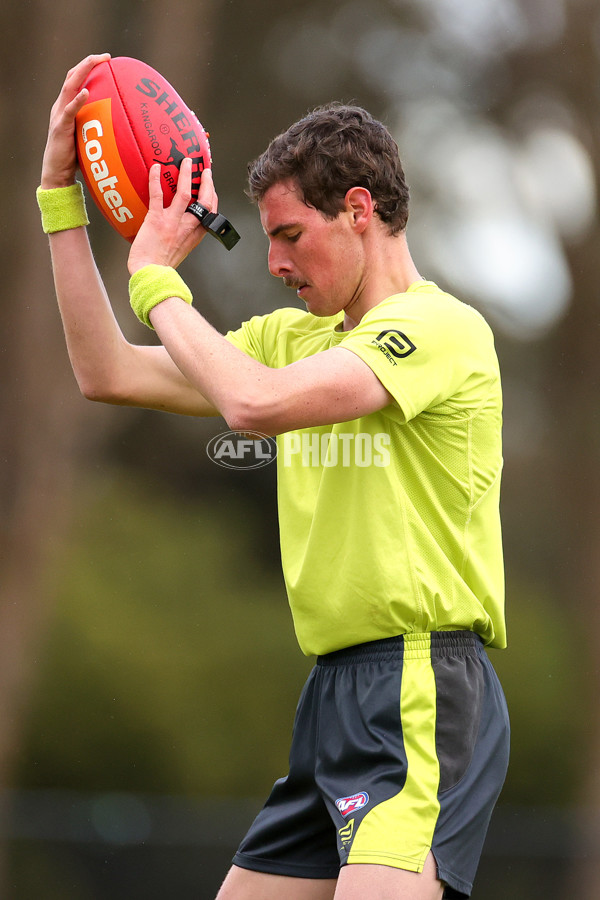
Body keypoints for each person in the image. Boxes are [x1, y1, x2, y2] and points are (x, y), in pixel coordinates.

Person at [38, 54, 510, 900]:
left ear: (359, 211)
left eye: (291, 235)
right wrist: (62, 202)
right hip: (331, 697)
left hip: (417, 690)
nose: (275, 265)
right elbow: (104, 371)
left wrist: (158, 279)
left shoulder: (443, 331)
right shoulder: (294, 338)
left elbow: (251, 404)